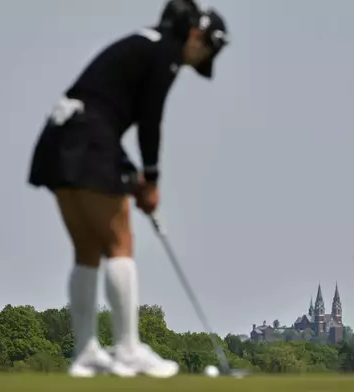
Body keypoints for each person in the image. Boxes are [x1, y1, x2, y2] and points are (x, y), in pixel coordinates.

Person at [26, 0, 229, 378]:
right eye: (203, 51)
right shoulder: (166, 51)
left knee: (87, 248)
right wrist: (151, 181)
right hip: (90, 139)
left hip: (60, 137)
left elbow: (104, 112)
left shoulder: (141, 43)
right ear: (197, 34)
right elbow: (150, 121)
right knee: (120, 242)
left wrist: (131, 177)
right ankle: (128, 350)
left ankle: (86, 352)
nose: (195, 61)